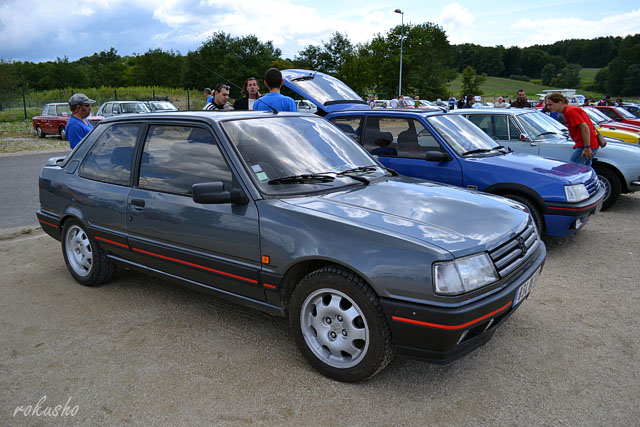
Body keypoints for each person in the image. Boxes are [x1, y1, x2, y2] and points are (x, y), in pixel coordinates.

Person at [545, 92, 599, 166]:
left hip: (584, 146)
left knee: (573, 170)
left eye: (550, 104)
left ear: (559, 103)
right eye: (547, 105)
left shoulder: (570, 111)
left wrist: (587, 147)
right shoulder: (569, 110)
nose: (548, 107)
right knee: (584, 171)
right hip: (590, 145)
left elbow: (584, 127)